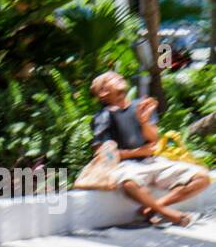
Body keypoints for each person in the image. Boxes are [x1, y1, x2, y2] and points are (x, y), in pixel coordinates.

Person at [89, 71, 208, 227]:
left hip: (153, 162)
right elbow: (103, 154)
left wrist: (144, 121)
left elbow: (153, 139)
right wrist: (139, 152)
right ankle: (167, 213)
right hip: (127, 166)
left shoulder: (140, 106)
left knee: (202, 178)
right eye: (111, 79)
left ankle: (153, 208)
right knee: (128, 184)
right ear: (103, 93)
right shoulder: (103, 117)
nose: (119, 77)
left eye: (119, 76)